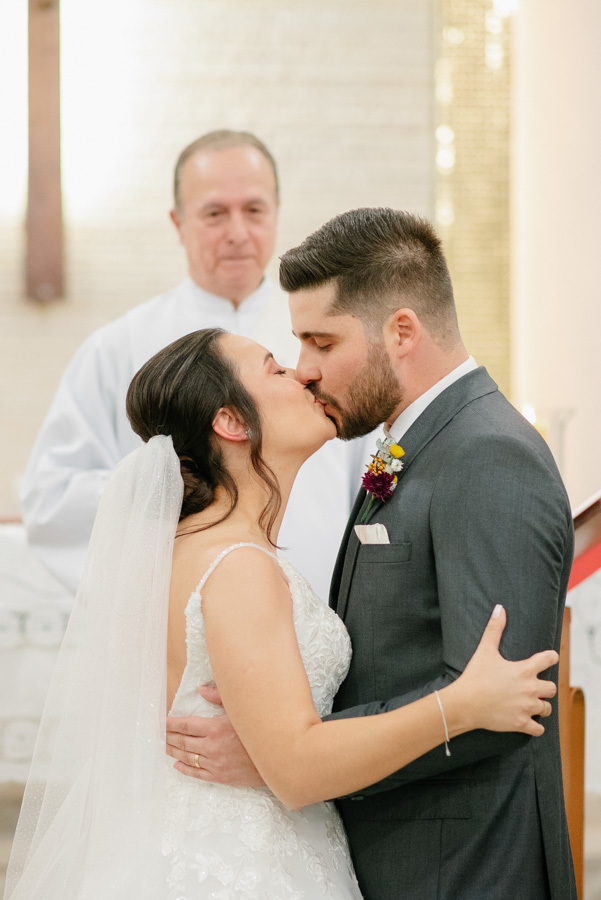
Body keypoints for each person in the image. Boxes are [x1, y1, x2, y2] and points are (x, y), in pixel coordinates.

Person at [5, 327, 558, 900]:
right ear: (232, 422)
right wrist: (460, 704)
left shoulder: (188, 550)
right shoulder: (238, 566)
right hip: (244, 867)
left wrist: (268, 751)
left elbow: (276, 744)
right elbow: (295, 768)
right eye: (274, 368)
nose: (301, 374)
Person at [166, 209, 576, 899]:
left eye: (320, 342)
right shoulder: (415, 445)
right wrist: (290, 748)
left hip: (463, 865)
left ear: (402, 331)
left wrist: (290, 753)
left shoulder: (486, 455)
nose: (305, 370)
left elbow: (500, 699)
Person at [19, 130, 366, 602]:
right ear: (178, 222)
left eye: (254, 210)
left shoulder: (327, 335)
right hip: (184, 607)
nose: (238, 233)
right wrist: (179, 491)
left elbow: (366, 473)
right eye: (215, 213)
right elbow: (53, 500)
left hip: (324, 601)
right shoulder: (119, 347)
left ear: (277, 213)